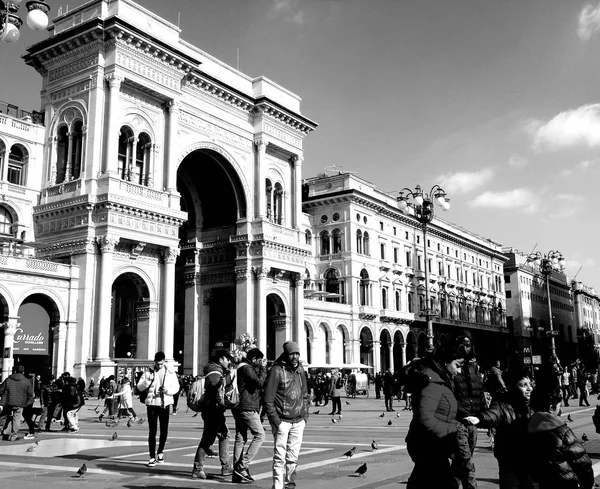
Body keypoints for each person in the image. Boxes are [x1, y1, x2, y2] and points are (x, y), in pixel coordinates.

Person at [405, 344, 465, 489]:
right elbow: (425, 418)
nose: (459, 370)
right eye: (457, 365)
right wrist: (452, 428)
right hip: (429, 444)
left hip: (432, 444)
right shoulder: (432, 382)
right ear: (445, 362)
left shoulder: (440, 380)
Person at [464, 368, 535, 488]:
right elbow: (493, 414)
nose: (529, 389)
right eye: (523, 385)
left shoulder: (536, 404)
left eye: (530, 384)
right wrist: (480, 418)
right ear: (513, 387)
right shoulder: (503, 404)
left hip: (533, 462)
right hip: (510, 461)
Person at [527, 381, 594, 489]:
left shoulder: (528, 429)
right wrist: (587, 484)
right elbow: (582, 463)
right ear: (551, 408)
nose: (560, 410)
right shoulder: (562, 432)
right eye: (559, 406)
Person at [264, 341, 310, 489]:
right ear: (286, 354)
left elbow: (304, 394)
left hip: (298, 420)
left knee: (293, 457)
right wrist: (276, 421)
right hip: (282, 420)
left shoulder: (300, 369)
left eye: (297, 353)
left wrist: (305, 415)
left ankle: (290, 484)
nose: (295, 356)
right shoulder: (277, 371)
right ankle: (278, 486)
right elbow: (268, 399)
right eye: (292, 353)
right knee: (279, 458)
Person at [192, 349, 234, 480]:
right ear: (221, 359)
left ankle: (226, 465)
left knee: (224, 434)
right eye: (228, 359)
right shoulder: (215, 373)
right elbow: (217, 391)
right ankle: (198, 468)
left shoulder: (213, 370)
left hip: (210, 410)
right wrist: (229, 377)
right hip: (213, 411)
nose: (229, 362)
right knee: (208, 439)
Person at [451, 334, 486, 489]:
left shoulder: (474, 366)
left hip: (473, 422)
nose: (464, 348)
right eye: (461, 344)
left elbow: (479, 391)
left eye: (467, 345)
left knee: (460, 465)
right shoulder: (452, 366)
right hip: (458, 421)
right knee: (467, 464)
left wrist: (484, 415)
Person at [137, 351, 180, 467]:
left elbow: (176, 387)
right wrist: (148, 381)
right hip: (152, 404)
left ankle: (160, 452)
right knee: (152, 431)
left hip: (164, 404)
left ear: (164, 361)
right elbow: (139, 387)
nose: (159, 366)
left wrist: (167, 391)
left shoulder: (170, 372)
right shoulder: (148, 371)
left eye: (161, 364)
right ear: (154, 362)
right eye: (157, 364)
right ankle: (151, 456)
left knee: (164, 430)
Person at [232, 347, 268, 484]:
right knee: (260, 435)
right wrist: (263, 369)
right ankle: (242, 465)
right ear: (254, 359)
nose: (260, 363)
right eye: (259, 360)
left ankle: (237, 473)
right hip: (247, 406)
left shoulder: (240, 366)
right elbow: (260, 382)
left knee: (240, 437)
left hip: (238, 406)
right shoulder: (247, 368)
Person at [0, 365, 35, 441]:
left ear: (15, 371)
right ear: (23, 372)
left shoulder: (8, 380)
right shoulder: (26, 381)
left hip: (8, 403)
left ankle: (5, 432)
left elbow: (1, 390)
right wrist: (26, 404)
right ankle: (14, 435)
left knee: (7, 417)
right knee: (16, 418)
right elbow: (30, 395)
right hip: (20, 404)